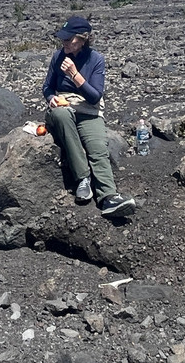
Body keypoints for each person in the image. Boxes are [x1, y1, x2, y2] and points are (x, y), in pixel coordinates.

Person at [42, 15, 136, 218]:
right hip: (62, 108)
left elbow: (94, 96)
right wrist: (51, 98)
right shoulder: (57, 56)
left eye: (69, 39)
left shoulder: (96, 60)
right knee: (62, 114)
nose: (64, 43)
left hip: (87, 109)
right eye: (63, 39)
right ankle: (83, 178)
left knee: (97, 148)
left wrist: (75, 75)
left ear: (83, 39)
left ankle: (108, 197)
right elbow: (48, 87)